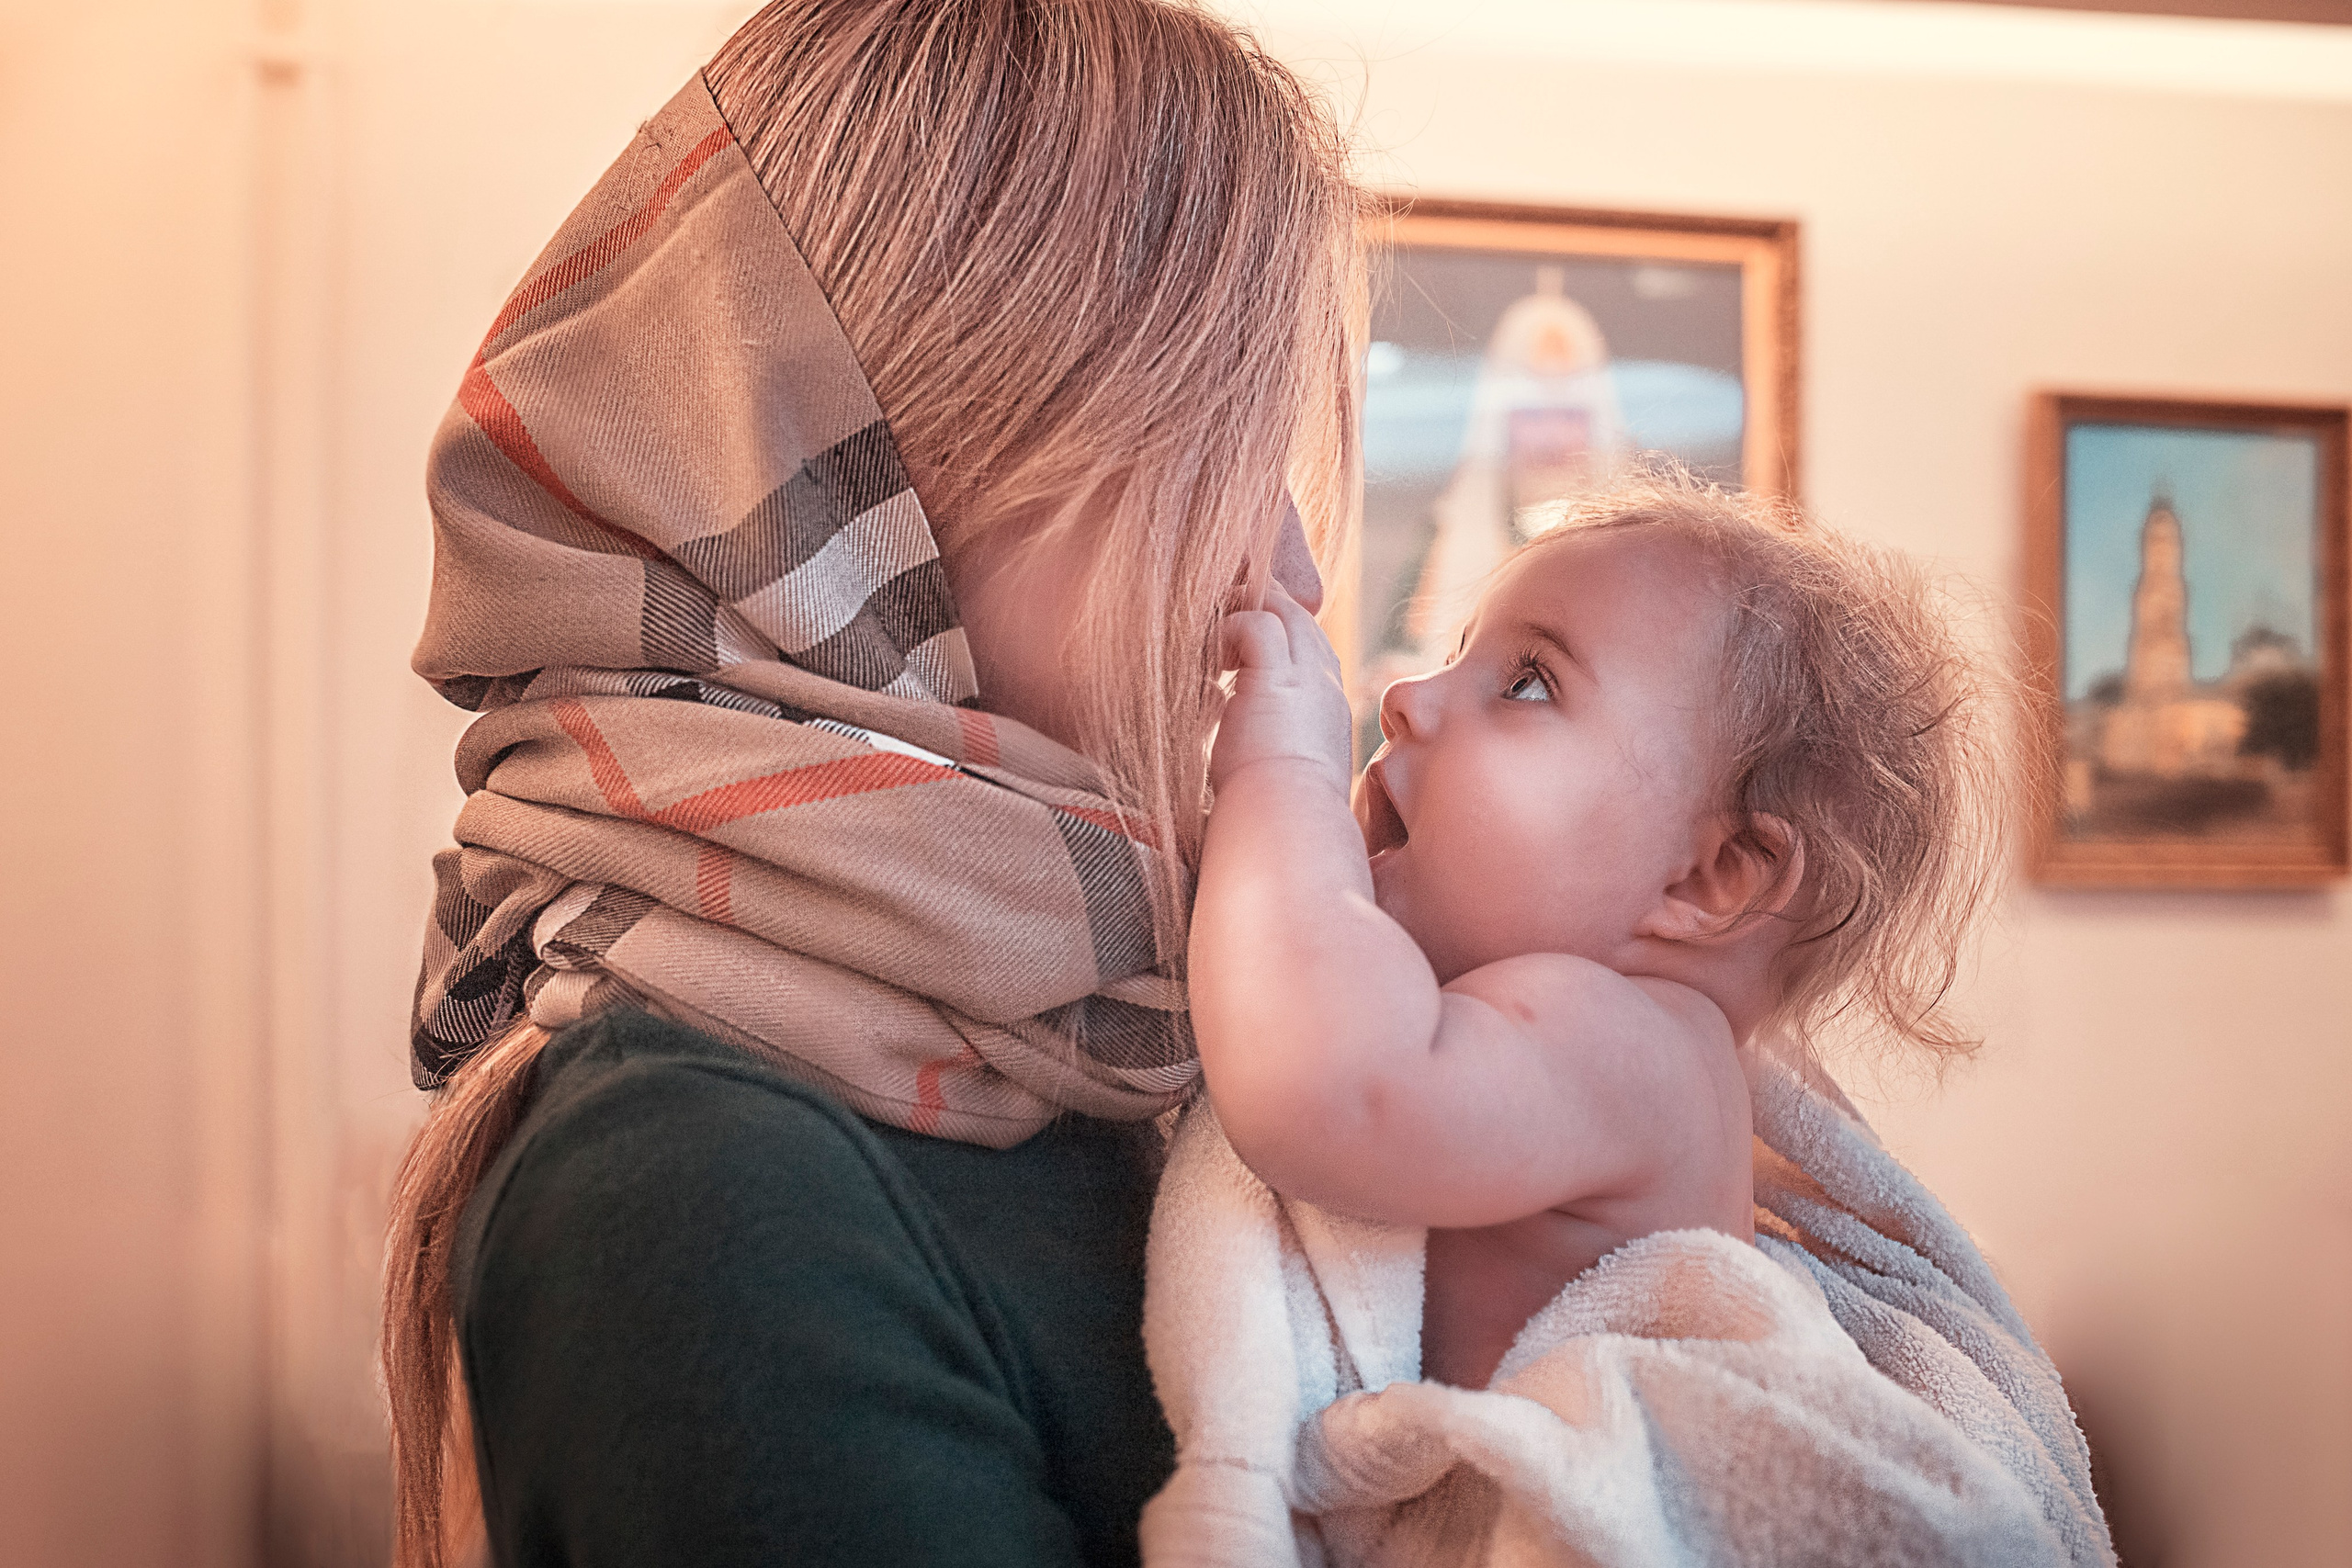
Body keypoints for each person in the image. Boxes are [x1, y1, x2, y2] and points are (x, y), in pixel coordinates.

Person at [379, 4, 1363, 1565]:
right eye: (1217, 459)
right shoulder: (700, 1187)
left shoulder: (1110, 1037)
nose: (1283, 567)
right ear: (902, 465)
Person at [1191, 471, 2005, 1390]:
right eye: (1455, 653)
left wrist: (1281, 774)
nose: (1407, 697)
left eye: (1527, 685)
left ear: (1711, 878)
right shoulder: (1620, 1040)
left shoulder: (1634, 1043)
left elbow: (1328, 1089)